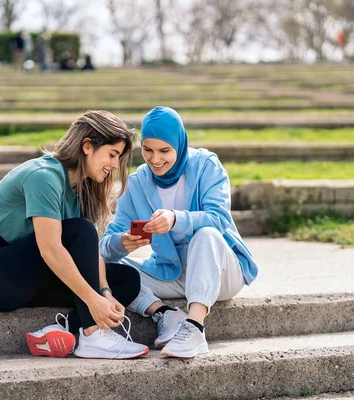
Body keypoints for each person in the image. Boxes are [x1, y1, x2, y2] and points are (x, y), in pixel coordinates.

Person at [0, 110, 149, 360]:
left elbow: (90, 251)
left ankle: (60, 328)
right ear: (87, 146)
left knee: (127, 280)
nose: (115, 165)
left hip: (34, 276)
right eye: (112, 155)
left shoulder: (81, 188)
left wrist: (104, 293)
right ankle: (92, 334)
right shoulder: (44, 176)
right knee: (81, 232)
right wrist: (93, 301)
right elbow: (50, 248)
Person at [99, 106, 259, 358]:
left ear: (180, 145)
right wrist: (121, 242)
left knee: (205, 234)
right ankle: (165, 313)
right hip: (170, 273)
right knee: (100, 268)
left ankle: (194, 327)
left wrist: (176, 219)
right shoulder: (137, 183)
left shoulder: (206, 166)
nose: (155, 159)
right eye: (148, 150)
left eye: (165, 151)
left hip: (222, 273)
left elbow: (219, 220)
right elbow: (106, 244)